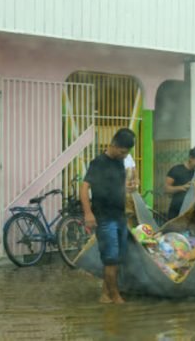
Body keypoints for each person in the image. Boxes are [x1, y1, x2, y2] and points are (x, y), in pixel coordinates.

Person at [80, 127, 136, 304]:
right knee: (111, 259)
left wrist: (128, 188)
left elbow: (115, 187)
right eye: (122, 151)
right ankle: (115, 296)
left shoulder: (120, 162)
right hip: (105, 218)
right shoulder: (98, 163)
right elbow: (84, 188)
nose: (124, 156)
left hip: (120, 216)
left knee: (117, 259)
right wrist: (88, 213)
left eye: (126, 153)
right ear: (113, 144)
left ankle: (105, 294)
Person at [164, 145, 195, 220]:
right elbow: (166, 189)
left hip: (193, 214)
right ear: (191, 158)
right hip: (176, 212)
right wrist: (182, 187)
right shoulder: (176, 170)